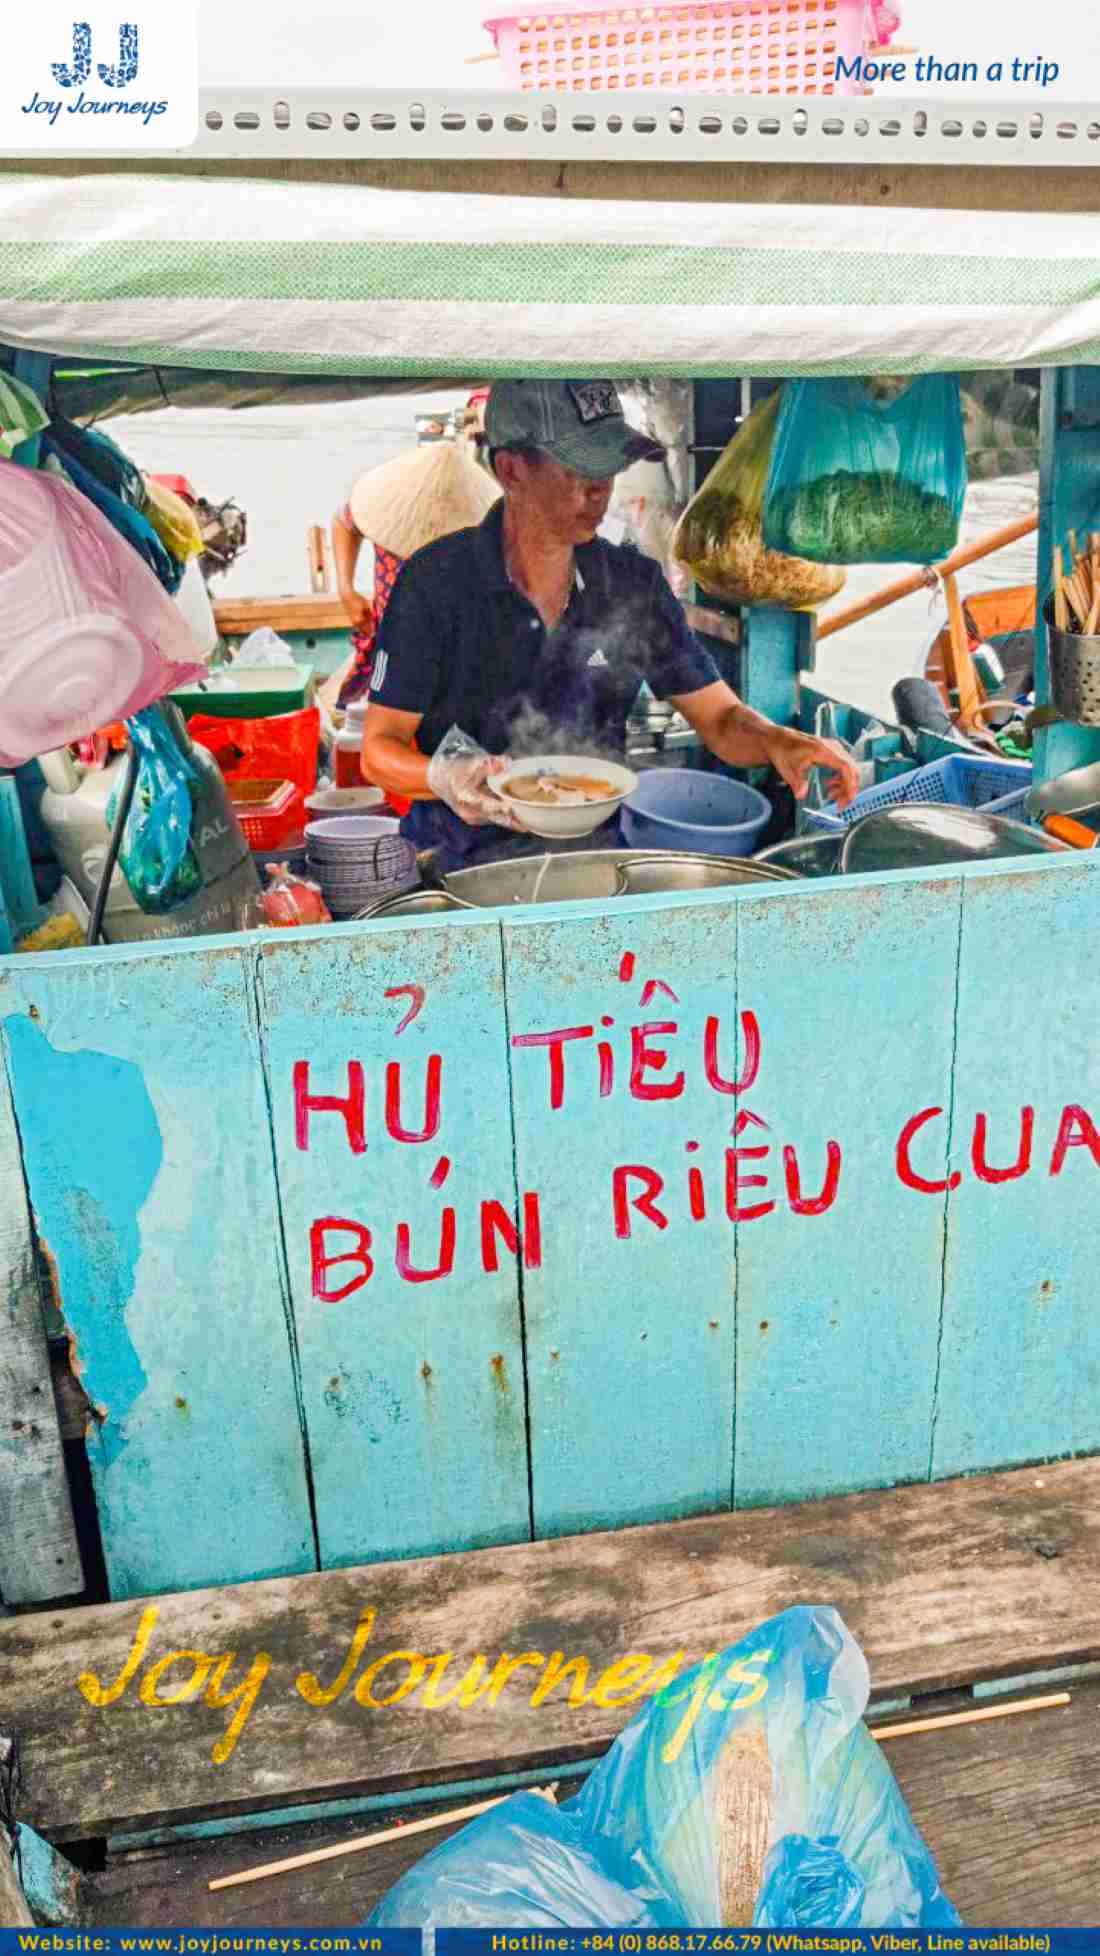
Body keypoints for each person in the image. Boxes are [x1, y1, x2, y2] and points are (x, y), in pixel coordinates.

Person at [361, 380, 858, 868]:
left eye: (611, 466)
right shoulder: (436, 582)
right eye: (580, 469)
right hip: (452, 861)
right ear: (511, 470)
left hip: (594, 861)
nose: (601, 490)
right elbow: (379, 751)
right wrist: (448, 777)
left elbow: (721, 720)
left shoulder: (633, 584)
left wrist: (778, 740)